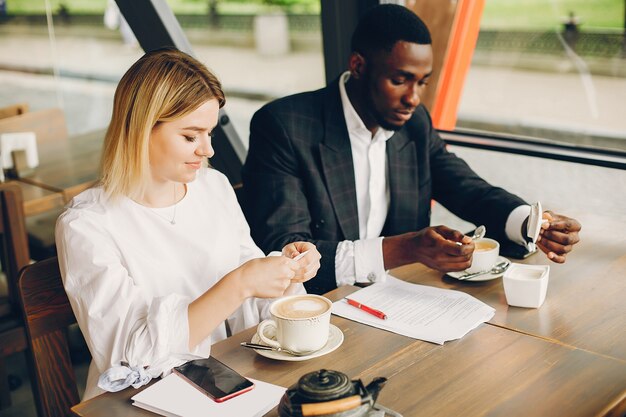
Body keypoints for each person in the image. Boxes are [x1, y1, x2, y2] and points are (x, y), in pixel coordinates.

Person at [242, 4, 581, 295]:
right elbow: (288, 252)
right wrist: (405, 248)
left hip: (401, 302)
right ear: (358, 66)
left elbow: (466, 188)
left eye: (422, 82)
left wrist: (530, 223)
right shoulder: (284, 127)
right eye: (400, 79)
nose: (413, 98)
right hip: (322, 310)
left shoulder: (414, 121)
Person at [55, 48, 321, 400]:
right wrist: (239, 284)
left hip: (232, 380)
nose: (207, 150)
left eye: (209, 133)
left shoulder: (213, 187)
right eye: (191, 136)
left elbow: (253, 303)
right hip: (144, 399)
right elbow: (129, 359)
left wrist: (285, 273)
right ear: (141, 129)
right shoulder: (86, 226)